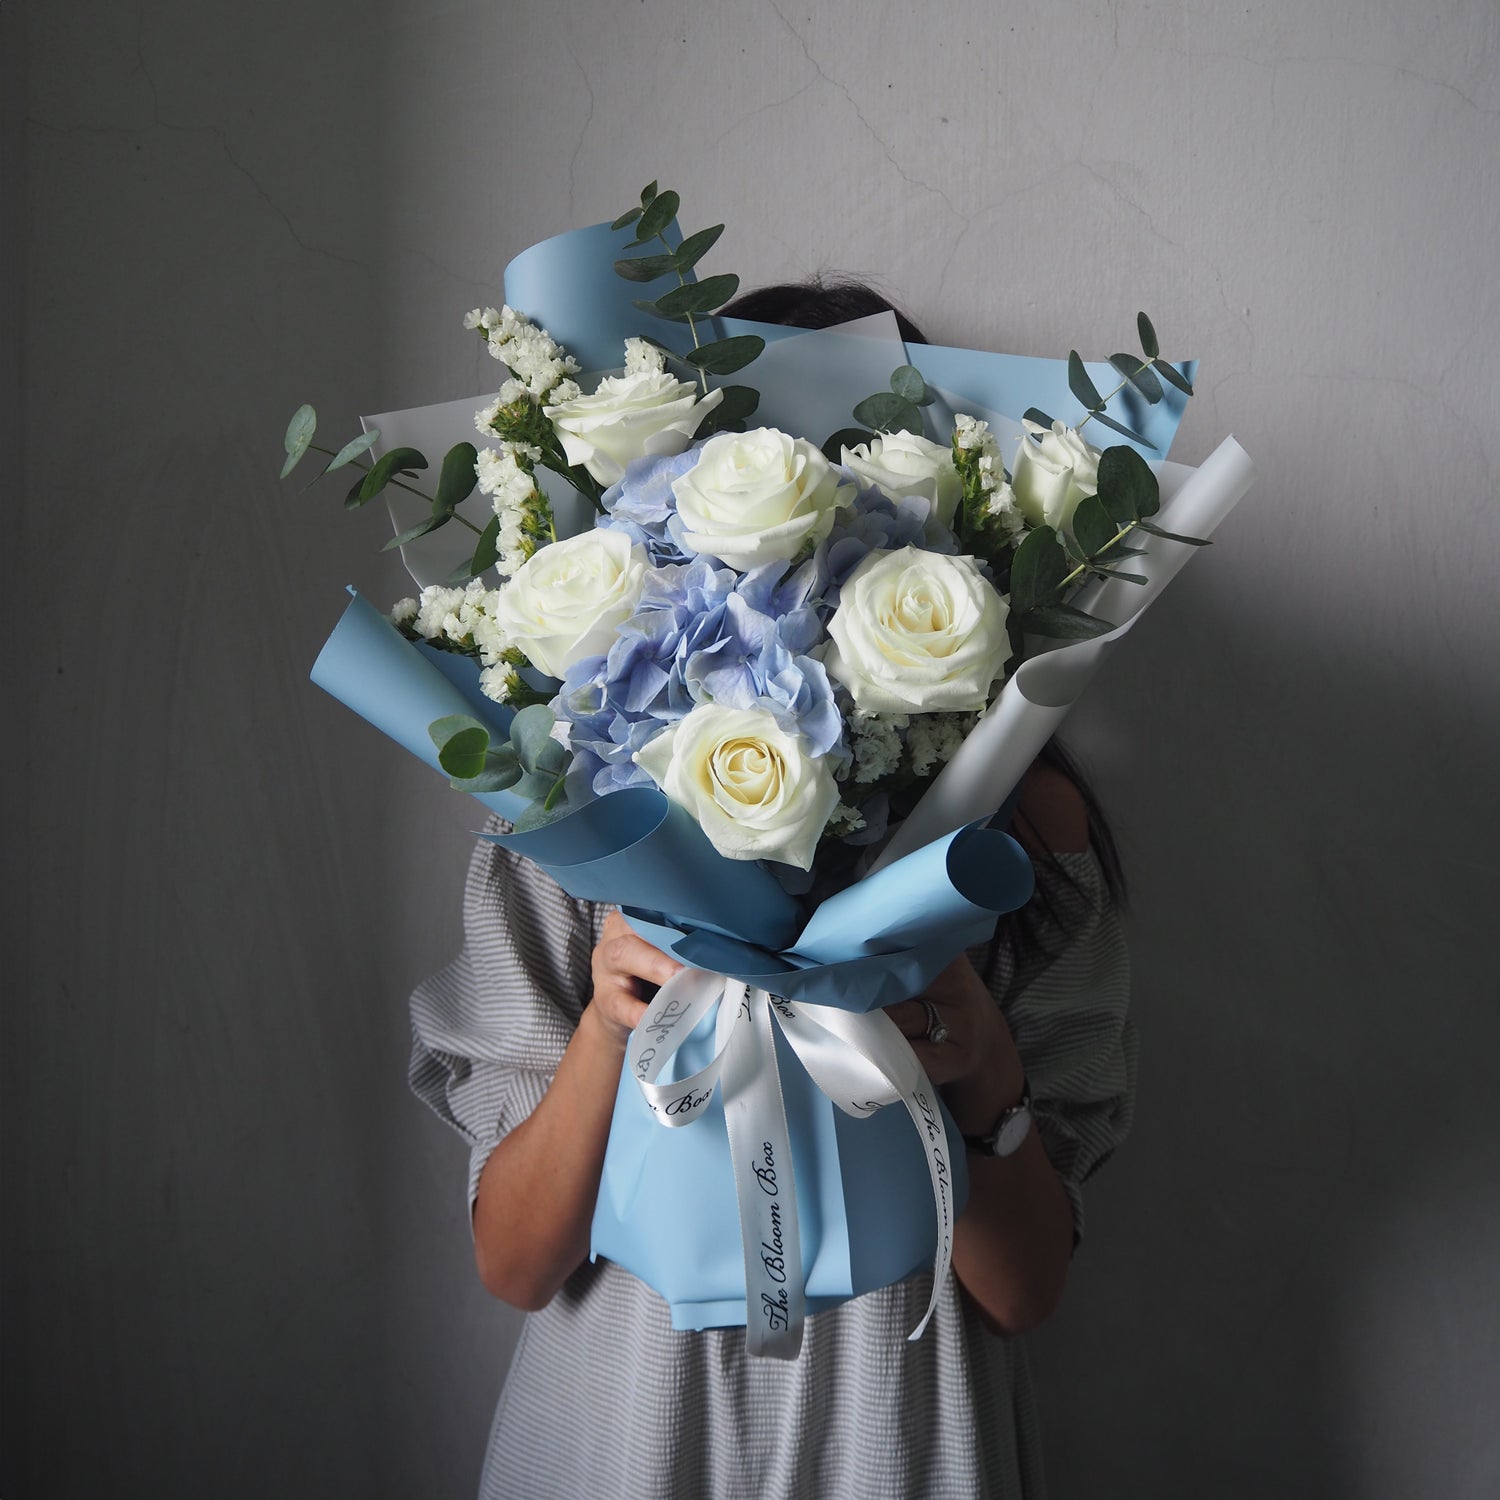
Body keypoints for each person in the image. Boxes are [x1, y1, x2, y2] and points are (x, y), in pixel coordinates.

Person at [408, 282, 1137, 1499]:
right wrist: (607, 1022)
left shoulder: (1018, 842)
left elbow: (1026, 1295)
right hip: (623, 1433)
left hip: (897, 1435)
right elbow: (517, 1265)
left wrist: (984, 1068)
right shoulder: (565, 831)